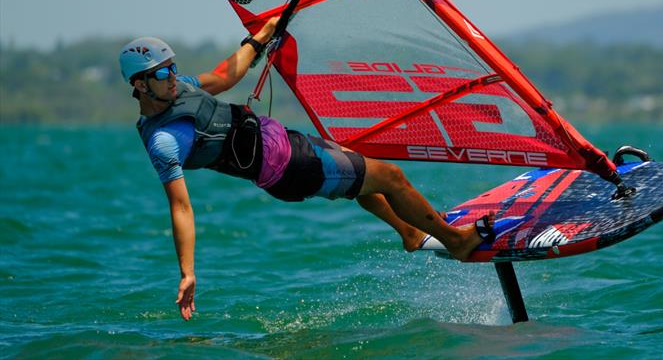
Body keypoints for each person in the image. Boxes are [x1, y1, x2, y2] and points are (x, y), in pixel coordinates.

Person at [120, 19, 495, 321]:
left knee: (359, 170)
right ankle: (455, 241)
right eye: (161, 72)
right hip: (291, 168)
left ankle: (409, 233)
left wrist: (259, 39)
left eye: (172, 67)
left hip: (286, 141)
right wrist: (188, 271)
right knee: (391, 177)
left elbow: (224, 76)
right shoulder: (165, 141)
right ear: (140, 85)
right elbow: (181, 208)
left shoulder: (179, 88)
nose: (171, 76)